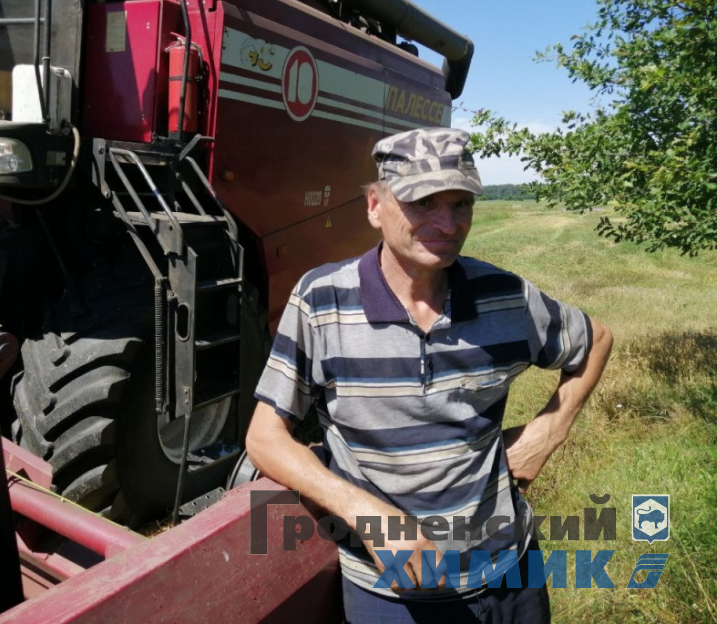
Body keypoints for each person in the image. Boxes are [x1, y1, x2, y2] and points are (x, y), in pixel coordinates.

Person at [245, 127, 613, 623]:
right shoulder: (322, 302)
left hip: (512, 575)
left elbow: (597, 341)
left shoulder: (506, 298)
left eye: (460, 203)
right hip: (392, 597)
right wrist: (366, 514)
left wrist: (549, 430)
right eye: (423, 203)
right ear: (375, 206)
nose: (447, 223)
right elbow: (265, 438)